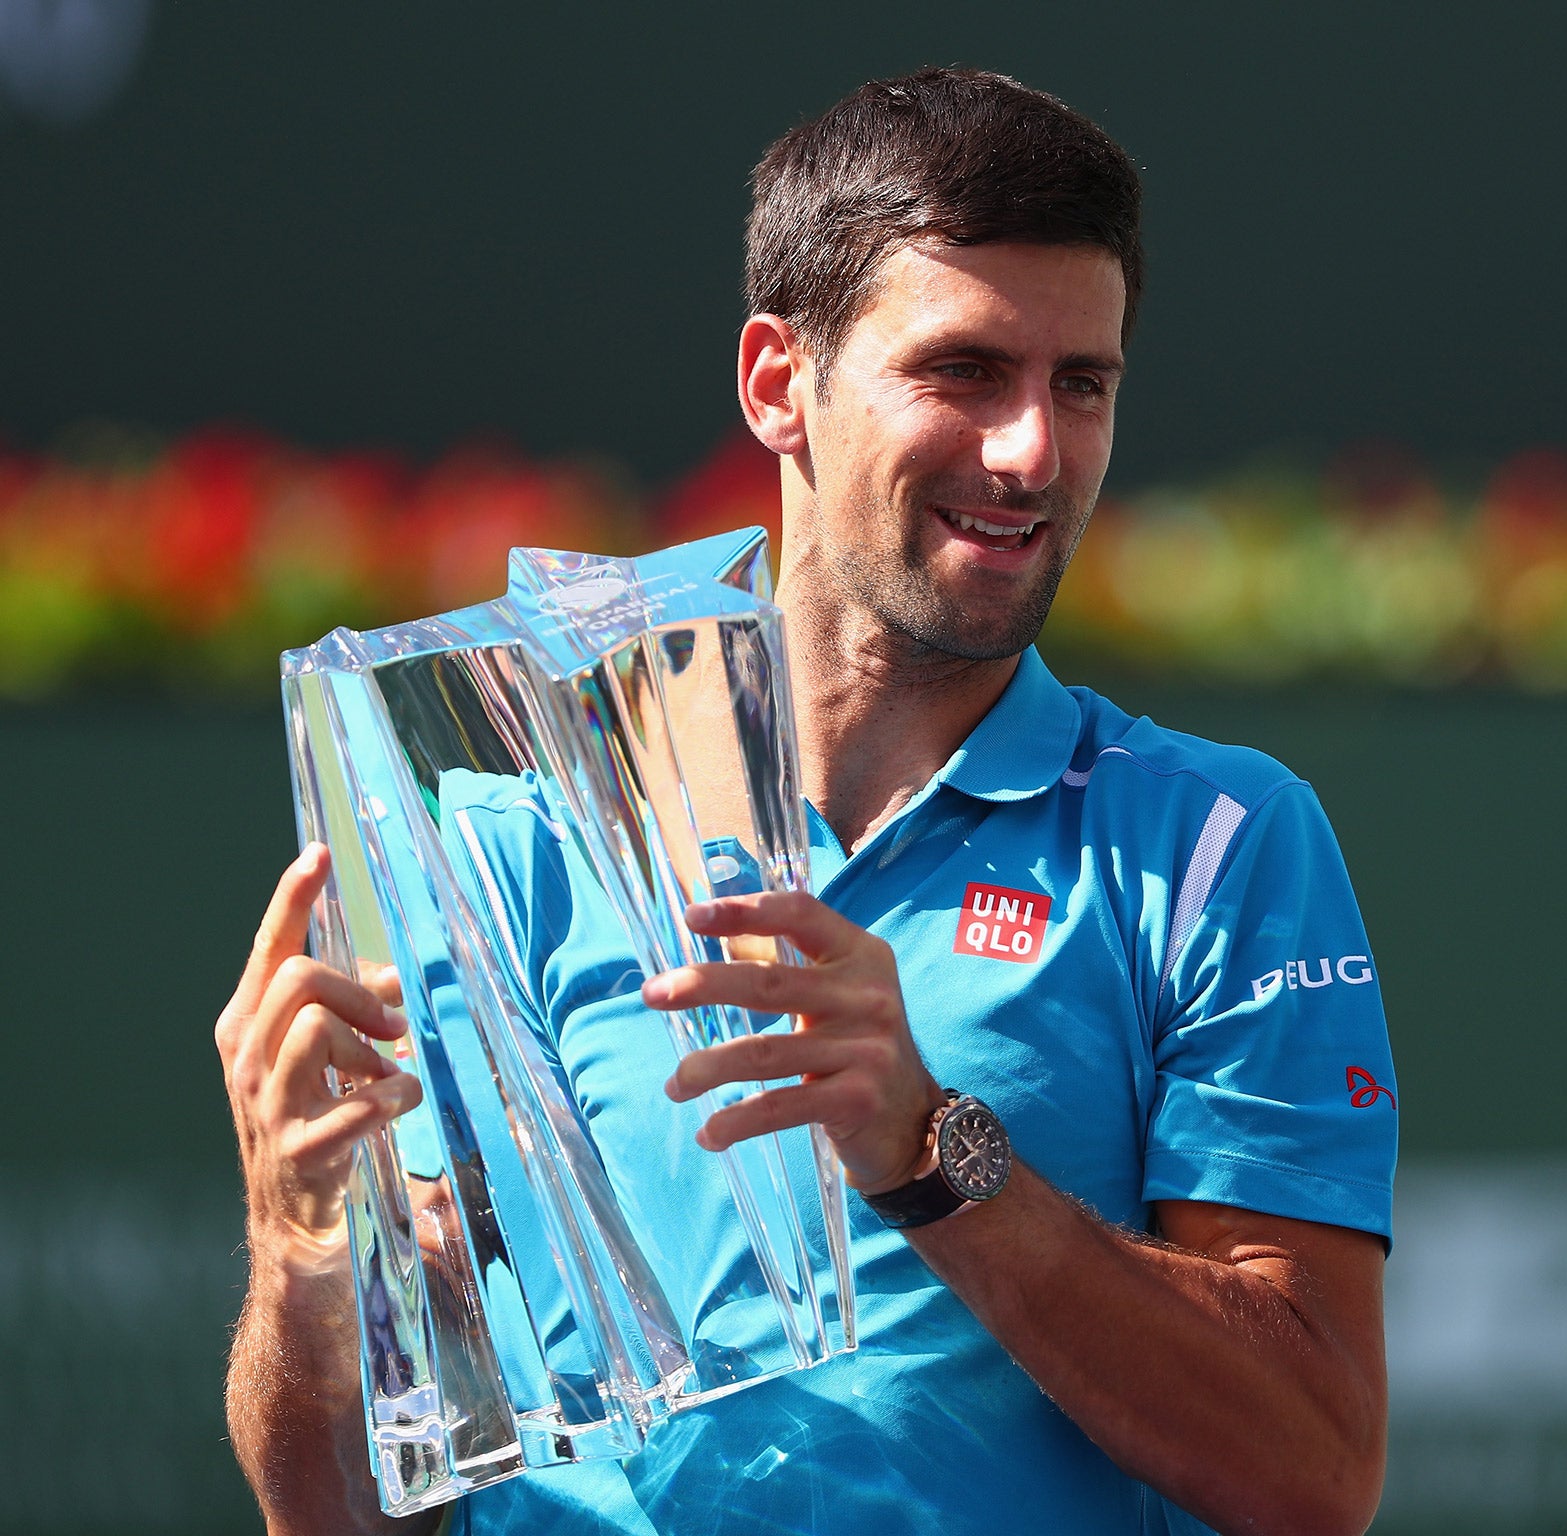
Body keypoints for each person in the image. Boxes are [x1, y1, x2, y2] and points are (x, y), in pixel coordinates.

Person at [216, 67, 1397, 1536]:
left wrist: (937, 1154)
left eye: (1080, 384)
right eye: (964, 371)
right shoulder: (502, 849)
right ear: (781, 384)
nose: (1032, 449)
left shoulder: (1219, 843)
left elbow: (1315, 1469)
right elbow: (341, 1515)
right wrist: (301, 1254)